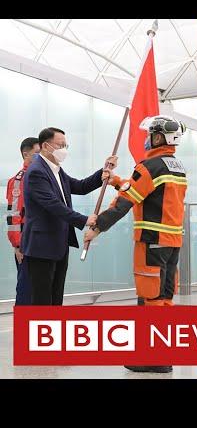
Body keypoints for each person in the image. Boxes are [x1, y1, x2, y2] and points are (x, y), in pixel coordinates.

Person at [84, 115, 187, 374]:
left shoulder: (149, 165)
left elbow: (127, 200)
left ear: (160, 137)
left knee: (150, 301)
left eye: (151, 134)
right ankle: (164, 355)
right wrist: (117, 180)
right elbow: (143, 191)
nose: (146, 139)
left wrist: (98, 226)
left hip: (151, 242)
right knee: (164, 300)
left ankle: (151, 359)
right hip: (172, 244)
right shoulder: (176, 166)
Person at [21, 127, 115, 306]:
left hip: (59, 242)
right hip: (41, 245)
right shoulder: (36, 171)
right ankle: (41, 332)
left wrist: (102, 172)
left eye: (66, 145)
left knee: (56, 296)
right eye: (60, 145)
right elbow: (52, 204)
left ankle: (53, 331)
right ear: (46, 146)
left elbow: (80, 186)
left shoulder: (56, 170)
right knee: (42, 298)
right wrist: (83, 219)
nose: (64, 149)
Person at [6, 137, 40, 305]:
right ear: (26, 154)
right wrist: (18, 245)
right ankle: (23, 328)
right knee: (27, 290)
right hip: (26, 242)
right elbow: (14, 215)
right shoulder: (19, 180)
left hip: (41, 240)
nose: (40, 157)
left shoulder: (41, 176)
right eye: (37, 153)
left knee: (40, 290)